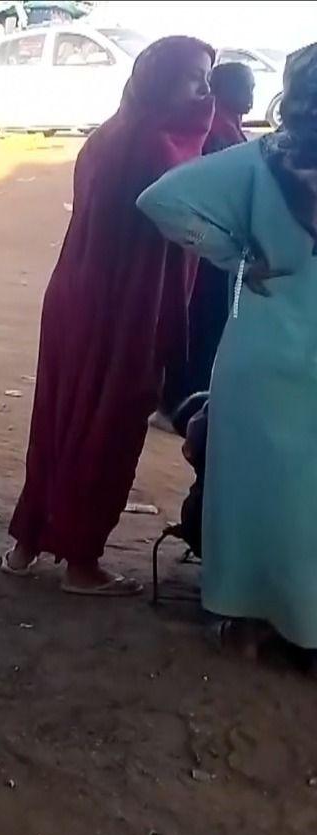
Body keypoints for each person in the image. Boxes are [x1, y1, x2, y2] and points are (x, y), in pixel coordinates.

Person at [3, 36, 216, 595]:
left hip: (76, 294)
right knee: (108, 426)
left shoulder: (111, 133)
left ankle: (27, 543)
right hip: (122, 307)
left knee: (58, 418)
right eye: (195, 77)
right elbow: (181, 226)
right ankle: (81, 560)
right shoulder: (155, 145)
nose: (204, 91)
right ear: (163, 79)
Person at [137, 42, 317, 656]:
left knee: (253, 490)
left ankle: (246, 620)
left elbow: (159, 199)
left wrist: (235, 252)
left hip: (263, 349)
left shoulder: (262, 160)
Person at [158, 60, 256, 416]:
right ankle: (180, 406)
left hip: (210, 247)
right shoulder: (216, 131)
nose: (252, 96)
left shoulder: (224, 126)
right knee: (202, 323)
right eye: (247, 87)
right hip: (207, 249)